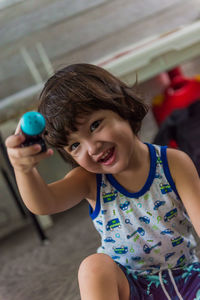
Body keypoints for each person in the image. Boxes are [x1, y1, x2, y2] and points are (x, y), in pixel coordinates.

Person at [5, 63, 200, 300]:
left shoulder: (174, 163)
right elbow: (43, 203)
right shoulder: (89, 179)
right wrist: (23, 170)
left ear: (124, 107)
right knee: (93, 268)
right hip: (129, 287)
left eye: (95, 125)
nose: (92, 147)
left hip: (187, 280)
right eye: (75, 146)